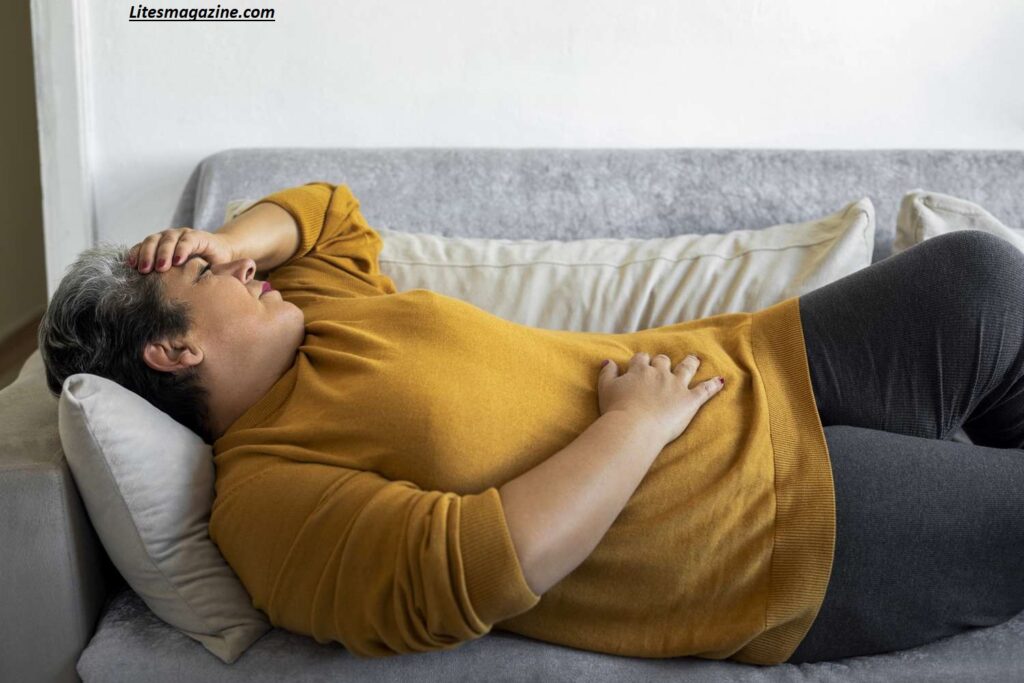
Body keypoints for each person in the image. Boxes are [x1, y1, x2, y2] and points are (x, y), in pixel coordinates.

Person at [37, 182, 1024, 666]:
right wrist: (634, 427)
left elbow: (329, 212)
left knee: (980, 278)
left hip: (744, 366)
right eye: (206, 275)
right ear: (173, 351)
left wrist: (216, 237)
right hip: (748, 526)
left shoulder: (317, 311)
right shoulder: (265, 502)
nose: (243, 266)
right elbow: (474, 572)